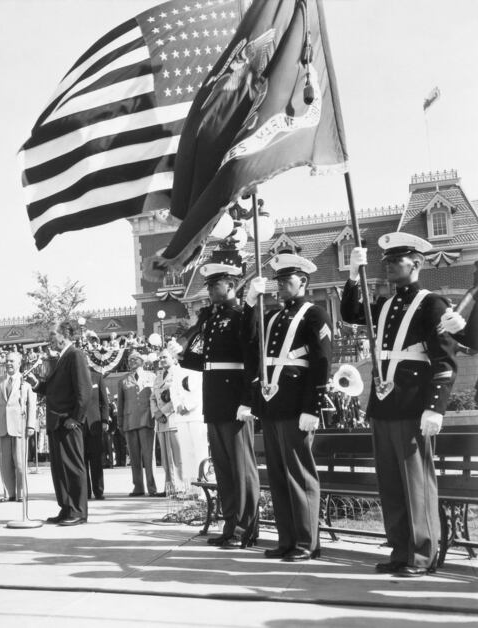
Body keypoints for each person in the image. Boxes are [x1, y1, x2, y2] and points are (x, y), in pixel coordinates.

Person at [341, 232, 457, 576]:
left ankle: (423, 554)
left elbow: (445, 361)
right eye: (386, 261)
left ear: (416, 264)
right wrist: (352, 275)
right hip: (384, 403)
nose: (388, 266)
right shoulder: (387, 305)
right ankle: (400, 549)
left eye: (396, 260)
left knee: (416, 484)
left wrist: (435, 407)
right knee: (390, 483)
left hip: (411, 403)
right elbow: (351, 313)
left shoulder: (432, 304)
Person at [244, 253, 332, 562]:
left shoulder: (314, 314)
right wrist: (251, 303)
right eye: (278, 281)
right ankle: (287, 539)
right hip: (273, 406)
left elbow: (321, 362)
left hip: (297, 407)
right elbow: (251, 345)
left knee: (300, 476)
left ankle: (307, 542)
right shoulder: (273, 316)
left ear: (303, 282)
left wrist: (313, 407)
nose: (280, 286)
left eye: (287, 281)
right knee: (279, 477)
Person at [183, 261, 260, 549]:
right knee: (224, 469)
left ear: (231, 285)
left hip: (234, 398)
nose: (211, 290)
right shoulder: (213, 319)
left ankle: (245, 527)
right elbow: (203, 361)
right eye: (209, 285)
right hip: (214, 397)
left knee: (241, 468)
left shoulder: (242, 315)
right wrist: (182, 352)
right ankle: (230, 524)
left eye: (215, 285)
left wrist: (247, 401)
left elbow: (252, 360)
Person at [25, 321, 92, 526]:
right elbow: (55, 389)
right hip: (56, 422)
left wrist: (76, 418)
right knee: (60, 469)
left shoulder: (75, 355)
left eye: (53, 334)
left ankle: (78, 511)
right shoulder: (61, 358)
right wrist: (37, 384)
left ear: (64, 335)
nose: (50, 338)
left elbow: (84, 390)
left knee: (73, 466)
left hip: (67, 421)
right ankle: (66, 507)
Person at [151, 342, 205, 496]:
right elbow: (153, 397)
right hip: (161, 421)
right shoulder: (158, 376)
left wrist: (167, 412)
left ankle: (184, 486)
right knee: (166, 458)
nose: (161, 360)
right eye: (160, 357)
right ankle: (170, 487)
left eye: (165, 357)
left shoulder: (180, 371)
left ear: (174, 359)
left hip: (176, 417)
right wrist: (157, 413)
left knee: (180, 456)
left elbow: (181, 393)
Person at [0, 351, 37, 502]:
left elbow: (32, 405)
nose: (9, 363)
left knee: (20, 464)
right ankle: (9, 493)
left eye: (12, 361)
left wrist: (30, 425)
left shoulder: (26, 382)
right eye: (7, 361)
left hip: (20, 427)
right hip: (3, 427)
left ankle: (21, 494)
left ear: (19, 363)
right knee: (5, 464)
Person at [117, 352, 158, 497]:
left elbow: (156, 398)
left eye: (135, 359)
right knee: (134, 457)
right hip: (130, 420)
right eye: (130, 360)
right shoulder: (123, 380)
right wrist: (120, 422)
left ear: (142, 361)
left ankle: (152, 487)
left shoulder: (152, 377)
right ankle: (138, 487)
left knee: (148, 455)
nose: (132, 361)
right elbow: (120, 403)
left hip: (147, 419)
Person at [83, 369, 110, 500]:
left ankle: (99, 491)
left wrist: (105, 420)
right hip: (79, 425)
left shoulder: (97, 377)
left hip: (95, 423)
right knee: (82, 461)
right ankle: (85, 492)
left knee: (96, 460)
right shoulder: (74, 376)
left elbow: (105, 401)